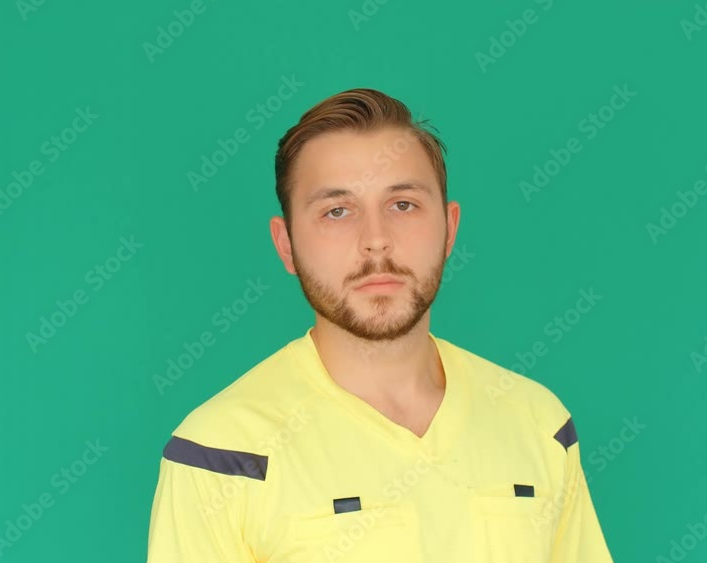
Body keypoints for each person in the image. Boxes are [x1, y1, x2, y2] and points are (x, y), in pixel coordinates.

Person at [147, 88, 613, 562]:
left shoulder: (538, 423)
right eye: (337, 211)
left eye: (403, 204)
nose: (376, 240)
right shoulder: (222, 453)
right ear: (286, 245)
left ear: (450, 228)